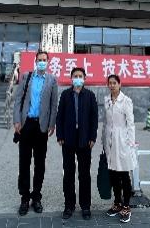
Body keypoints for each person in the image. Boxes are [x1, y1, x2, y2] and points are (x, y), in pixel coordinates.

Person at [13, 50, 58, 216]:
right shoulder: (27, 77)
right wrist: (17, 120)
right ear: (35, 61)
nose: (42, 62)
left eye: (44, 60)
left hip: (41, 127)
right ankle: (24, 198)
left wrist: (52, 124)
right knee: (24, 163)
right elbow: (18, 100)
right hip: (26, 125)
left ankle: (36, 197)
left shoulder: (52, 80)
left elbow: (54, 104)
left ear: (48, 62)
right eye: (40, 59)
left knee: (40, 164)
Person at [56, 67, 98, 221]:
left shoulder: (90, 95)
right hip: (68, 139)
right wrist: (60, 135)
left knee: (84, 174)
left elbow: (94, 118)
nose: (78, 78)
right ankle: (69, 205)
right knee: (68, 174)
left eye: (80, 76)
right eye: (75, 76)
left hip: (85, 140)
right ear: (71, 78)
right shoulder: (65, 95)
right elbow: (59, 116)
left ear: (84, 79)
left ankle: (85, 206)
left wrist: (92, 137)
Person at [102, 74, 136, 224]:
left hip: (122, 141)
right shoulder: (106, 100)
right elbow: (106, 123)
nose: (112, 85)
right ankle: (117, 203)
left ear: (120, 84)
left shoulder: (126, 101)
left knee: (124, 174)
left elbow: (131, 124)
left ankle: (126, 206)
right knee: (113, 174)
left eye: (114, 83)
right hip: (109, 141)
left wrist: (130, 144)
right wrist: (103, 141)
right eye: (109, 83)